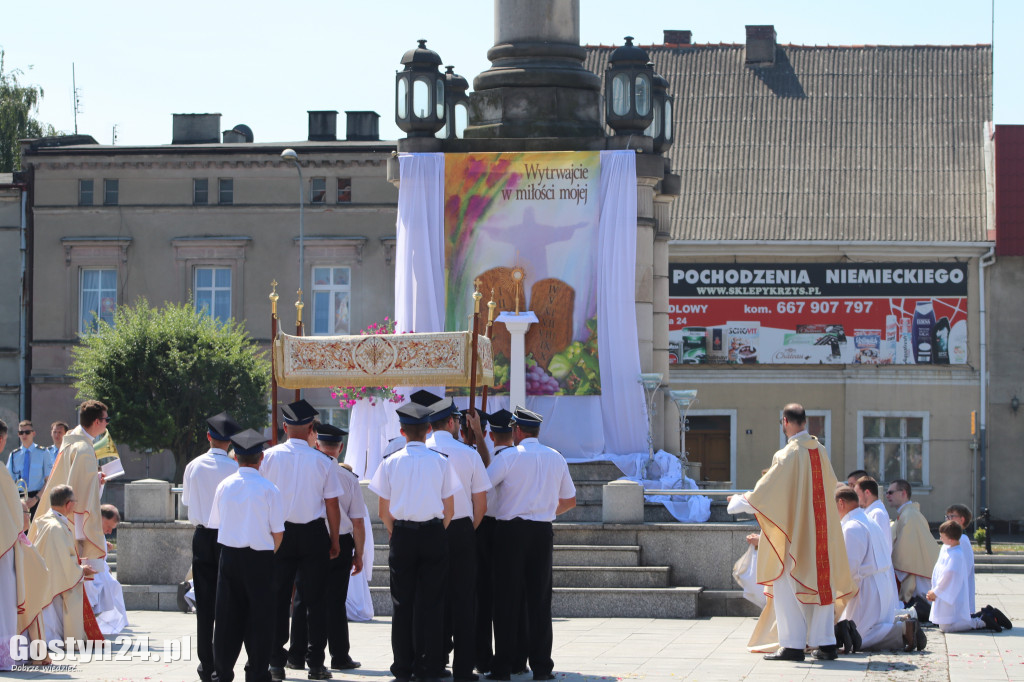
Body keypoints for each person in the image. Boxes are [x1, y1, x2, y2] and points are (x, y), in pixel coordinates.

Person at [727, 403, 855, 662]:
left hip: (796, 535)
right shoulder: (821, 451)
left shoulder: (788, 455)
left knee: (786, 587)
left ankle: (793, 645)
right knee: (821, 587)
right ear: (805, 422)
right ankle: (827, 643)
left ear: (785, 421)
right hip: (821, 534)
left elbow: (767, 492)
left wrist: (738, 501)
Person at [370, 401, 462, 682]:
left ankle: (403, 667)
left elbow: (383, 511)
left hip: (404, 535)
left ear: (402, 431)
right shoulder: (441, 460)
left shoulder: (390, 462)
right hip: (434, 533)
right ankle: (431, 666)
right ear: (428, 430)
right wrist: (436, 530)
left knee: (403, 605)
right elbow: (451, 510)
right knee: (433, 605)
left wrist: (396, 532)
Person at [486, 406, 576, 681]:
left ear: (517, 430)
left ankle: (502, 667)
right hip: (541, 532)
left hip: (510, 533)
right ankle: (541, 667)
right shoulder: (556, 457)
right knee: (539, 600)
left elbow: (483, 485)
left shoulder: (510, 457)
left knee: (506, 600)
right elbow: (569, 500)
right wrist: (545, 512)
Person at [261, 400, 342, 682]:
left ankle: (275, 662)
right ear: (311, 429)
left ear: (284, 427)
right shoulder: (323, 461)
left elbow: (261, 498)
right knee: (315, 600)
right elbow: (332, 504)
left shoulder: (268, 457)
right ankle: (316, 664)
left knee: (277, 598)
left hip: (279, 533)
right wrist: (335, 539)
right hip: (312, 534)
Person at [288, 422, 367, 673]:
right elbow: (358, 522)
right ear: (340, 448)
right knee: (334, 601)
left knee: (303, 598)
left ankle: (296, 655)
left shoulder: (308, 469)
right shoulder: (348, 478)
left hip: (311, 537)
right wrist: (359, 553)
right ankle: (339, 655)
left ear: (318, 444)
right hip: (341, 540)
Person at [209, 429, 285, 682]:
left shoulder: (224, 485)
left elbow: (216, 523)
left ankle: (222, 671)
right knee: (261, 618)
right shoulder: (269, 488)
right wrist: (266, 554)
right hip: (260, 558)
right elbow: (278, 533)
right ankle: (257, 672)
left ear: (235, 458)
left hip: (230, 556)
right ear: (261, 458)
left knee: (227, 618)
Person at [426, 397, 492, 682]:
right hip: (462, 530)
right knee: (464, 601)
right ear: (452, 423)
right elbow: (482, 504)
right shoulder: (468, 454)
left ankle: (433, 661)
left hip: (429, 529)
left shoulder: (419, 451)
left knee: (431, 600)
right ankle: (463, 670)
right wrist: (469, 528)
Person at [182, 411, 242, 682]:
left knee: (204, 605)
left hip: (202, 536)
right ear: (229, 442)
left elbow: (186, 502)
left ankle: (206, 665)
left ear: (208, 437)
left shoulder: (193, 465)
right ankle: (222, 662)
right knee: (227, 605)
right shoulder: (235, 468)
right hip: (228, 537)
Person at [835, 486, 920, 651]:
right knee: (874, 623)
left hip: (866, 588)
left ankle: (902, 629)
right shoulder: (868, 521)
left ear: (841, 503)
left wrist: (841, 591)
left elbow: (850, 567)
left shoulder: (852, 527)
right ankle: (903, 622)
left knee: (859, 637)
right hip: (881, 583)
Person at [476, 409, 528, 676]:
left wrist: (477, 438)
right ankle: (519, 657)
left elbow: (483, 482)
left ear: (490, 434)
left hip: (487, 528)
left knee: (484, 595)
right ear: (515, 433)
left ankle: (484, 658)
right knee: (514, 596)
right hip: (510, 529)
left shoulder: (502, 460)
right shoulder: (521, 458)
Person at [0, 419, 50, 671]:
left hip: (34, 500)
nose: (23, 436)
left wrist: (34, 500)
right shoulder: (4, 466)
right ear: (3, 440)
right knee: (7, 596)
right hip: (4, 545)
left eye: (26, 432)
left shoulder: (41, 454)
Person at [33, 400, 109, 566]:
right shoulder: (84, 449)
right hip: (73, 524)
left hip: (58, 514)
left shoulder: (71, 440)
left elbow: (73, 479)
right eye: (106, 420)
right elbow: (82, 497)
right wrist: (87, 537)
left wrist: (96, 480)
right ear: (97, 422)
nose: (107, 424)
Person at [31, 484, 100, 645]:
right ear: (68, 504)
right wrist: (81, 570)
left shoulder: (50, 521)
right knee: (53, 627)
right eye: (74, 501)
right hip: (55, 588)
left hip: (50, 582)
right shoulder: (55, 527)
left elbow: (59, 558)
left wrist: (77, 565)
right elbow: (62, 565)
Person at [927, 520, 1006, 633]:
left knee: (947, 627)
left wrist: (936, 592)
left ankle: (982, 621)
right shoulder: (949, 549)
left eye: (942, 537)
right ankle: (987, 614)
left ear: (952, 539)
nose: (940, 539)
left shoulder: (956, 554)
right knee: (945, 624)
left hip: (949, 594)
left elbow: (948, 575)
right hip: (945, 593)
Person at [887, 479, 939, 616]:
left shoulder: (910, 515)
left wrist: (888, 559)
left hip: (916, 570)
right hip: (917, 566)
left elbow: (905, 551)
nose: (887, 496)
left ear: (903, 493)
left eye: (891, 492)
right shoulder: (906, 514)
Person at [85, 504, 129, 635]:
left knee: (113, 586)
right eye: (109, 527)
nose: (110, 532)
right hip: (89, 569)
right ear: (101, 517)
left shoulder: (99, 531)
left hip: (99, 568)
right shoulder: (89, 528)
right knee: (103, 586)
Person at [5, 420, 52, 517]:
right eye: (21, 432)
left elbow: (49, 480)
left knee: (36, 530)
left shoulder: (43, 452)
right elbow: (9, 480)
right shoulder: (14, 455)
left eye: (27, 432)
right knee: (20, 529)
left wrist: (36, 498)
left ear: (33, 433)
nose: (24, 435)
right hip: (19, 497)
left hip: (37, 497)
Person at [944, 504, 976, 614]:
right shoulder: (952, 540)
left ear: (962, 520)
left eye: (951, 516)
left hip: (959, 593)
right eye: (947, 517)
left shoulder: (962, 539)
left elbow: (965, 569)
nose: (948, 520)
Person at [854, 476, 893, 556]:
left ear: (867, 493)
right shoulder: (870, 512)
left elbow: (879, 548)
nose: (856, 500)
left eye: (857, 495)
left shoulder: (877, 514)